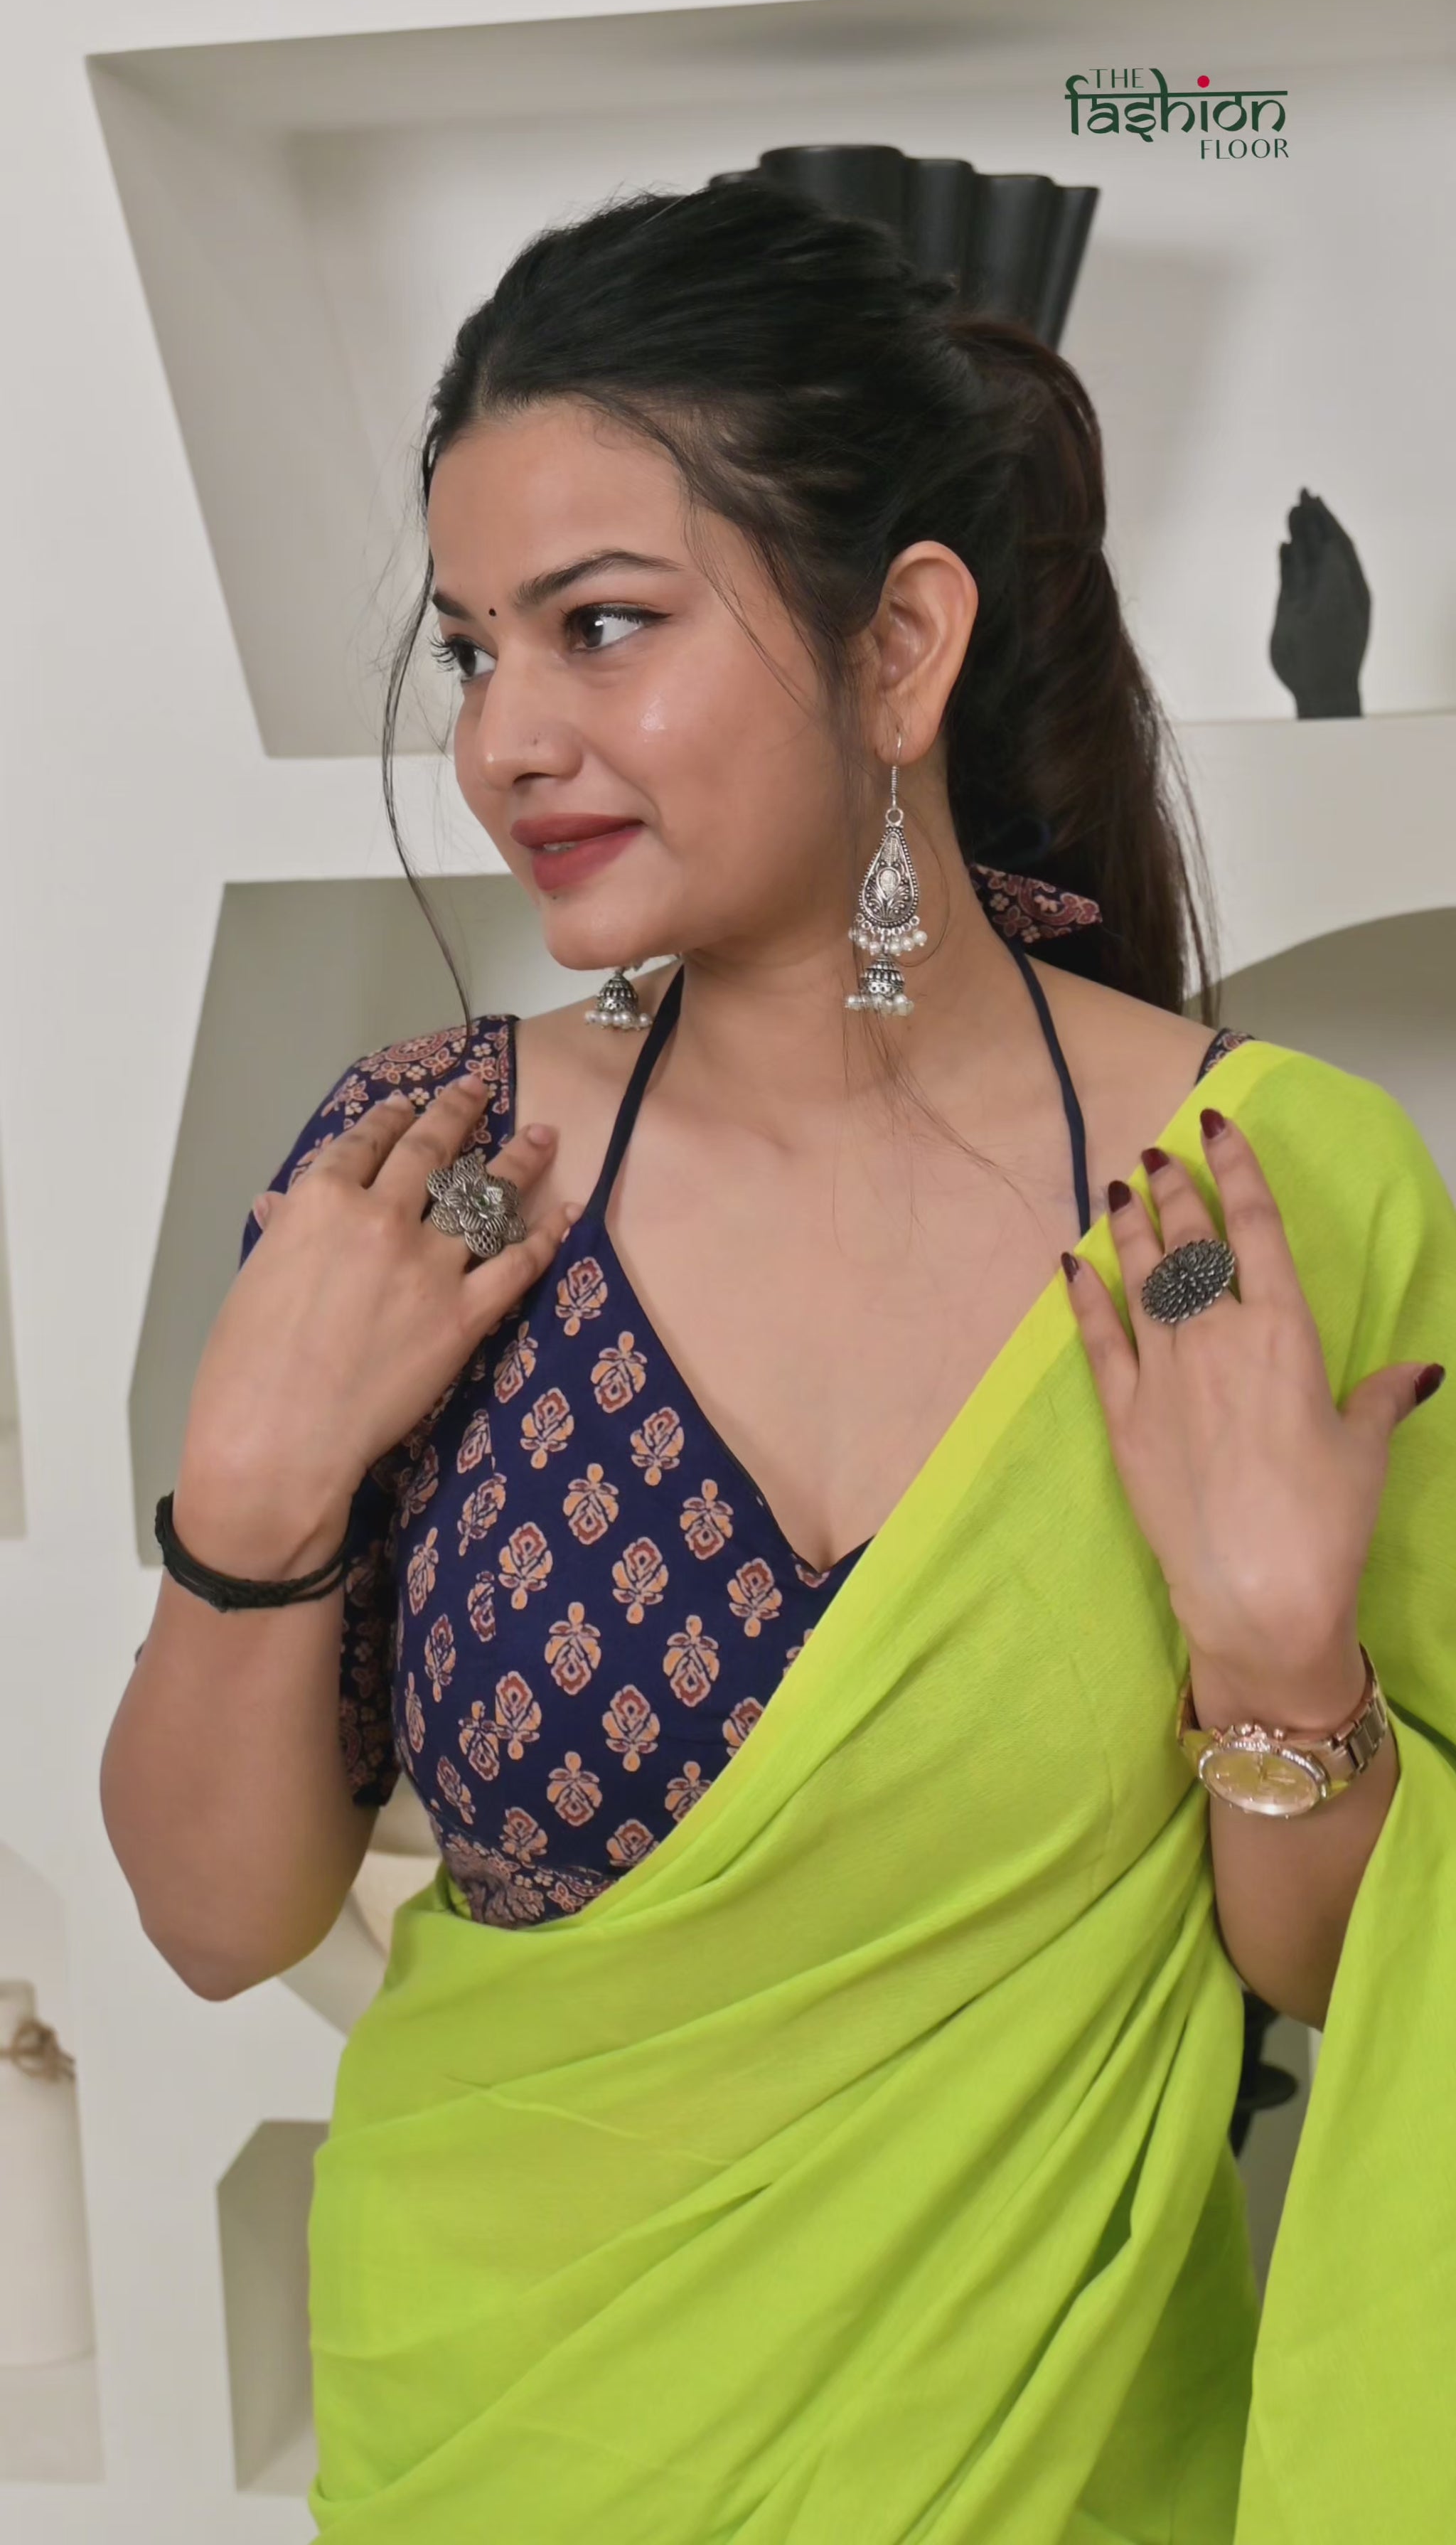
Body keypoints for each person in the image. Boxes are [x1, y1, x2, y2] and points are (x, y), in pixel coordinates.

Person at [100, 183, 1456, 2540]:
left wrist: (1277, 1664)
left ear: (900, 643)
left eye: (602, 626)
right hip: (498, 2448)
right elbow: (220, 1925)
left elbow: (1367, 1983)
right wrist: (253, 1499)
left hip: (1054, 2474)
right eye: (472, 652)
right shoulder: (437, 1176)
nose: (507, 739)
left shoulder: (1257, 1205)